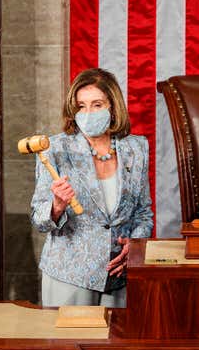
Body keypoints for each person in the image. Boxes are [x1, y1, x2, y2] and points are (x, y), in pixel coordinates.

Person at [30, 68, 153, 307]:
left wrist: (136, 246)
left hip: (118, 276)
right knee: (70, 344)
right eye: (81, 106)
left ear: (113, 107)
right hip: (70, 276)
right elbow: (38, 219)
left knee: (117, 344)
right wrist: (56, 206)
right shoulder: (54, 149)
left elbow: (143, 213)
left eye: (97, 105)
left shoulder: (136, 148)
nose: (88, 113)